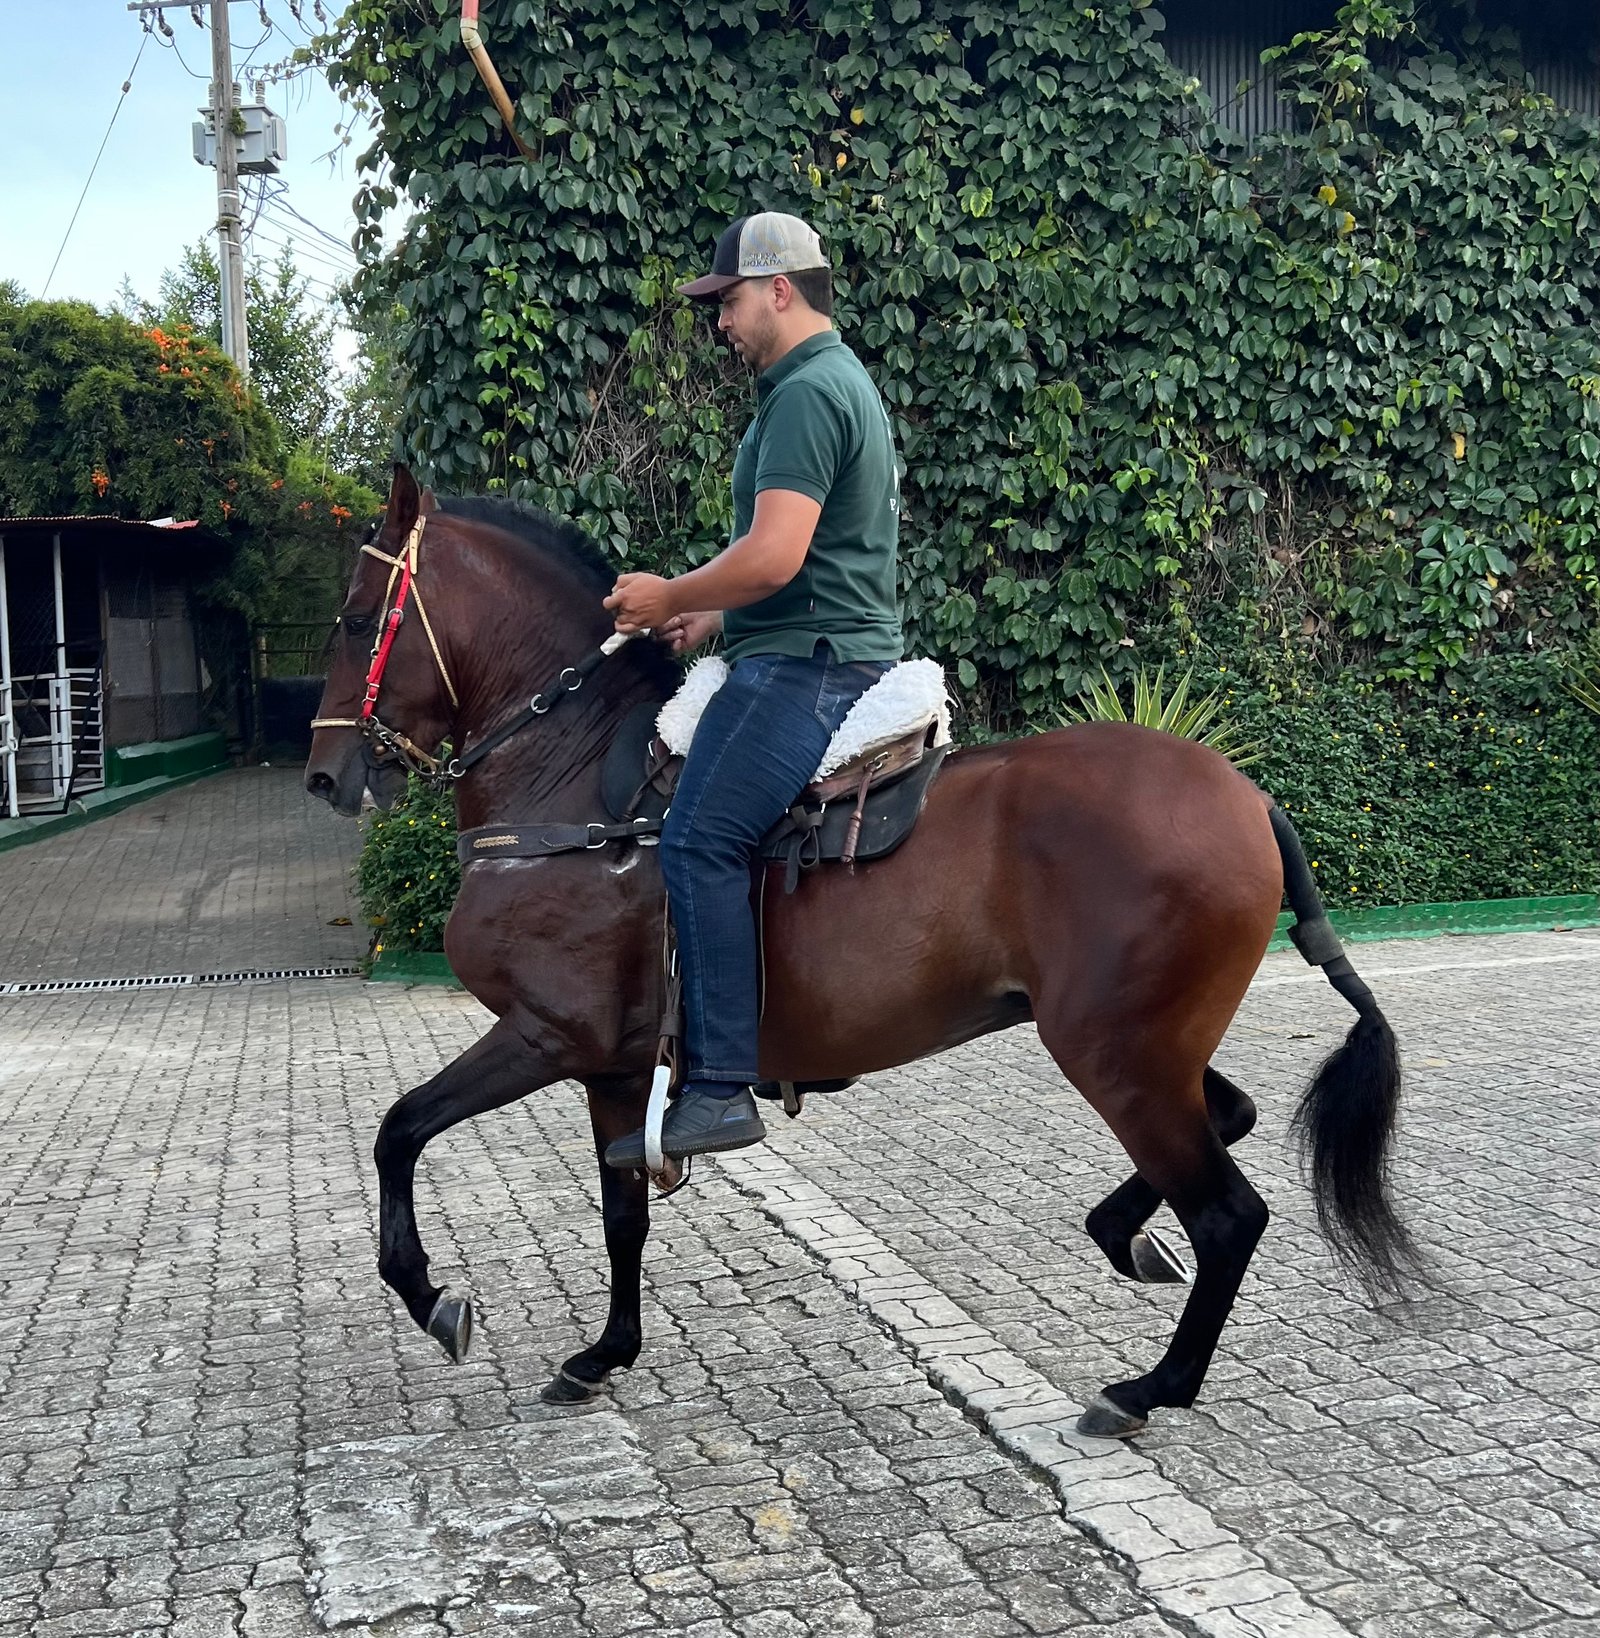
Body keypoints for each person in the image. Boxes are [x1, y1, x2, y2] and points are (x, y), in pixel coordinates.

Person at [603, 211, 904, 1167]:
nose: (720, 320)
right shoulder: (816, 385)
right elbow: (812, 562)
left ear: (780, 289)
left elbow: (773, 556)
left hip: (811, 665)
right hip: (797, 640)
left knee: (696, 839)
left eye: (727, 300)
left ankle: (722, 1086)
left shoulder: (810, 392)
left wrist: (667, 594)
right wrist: (714, 619)